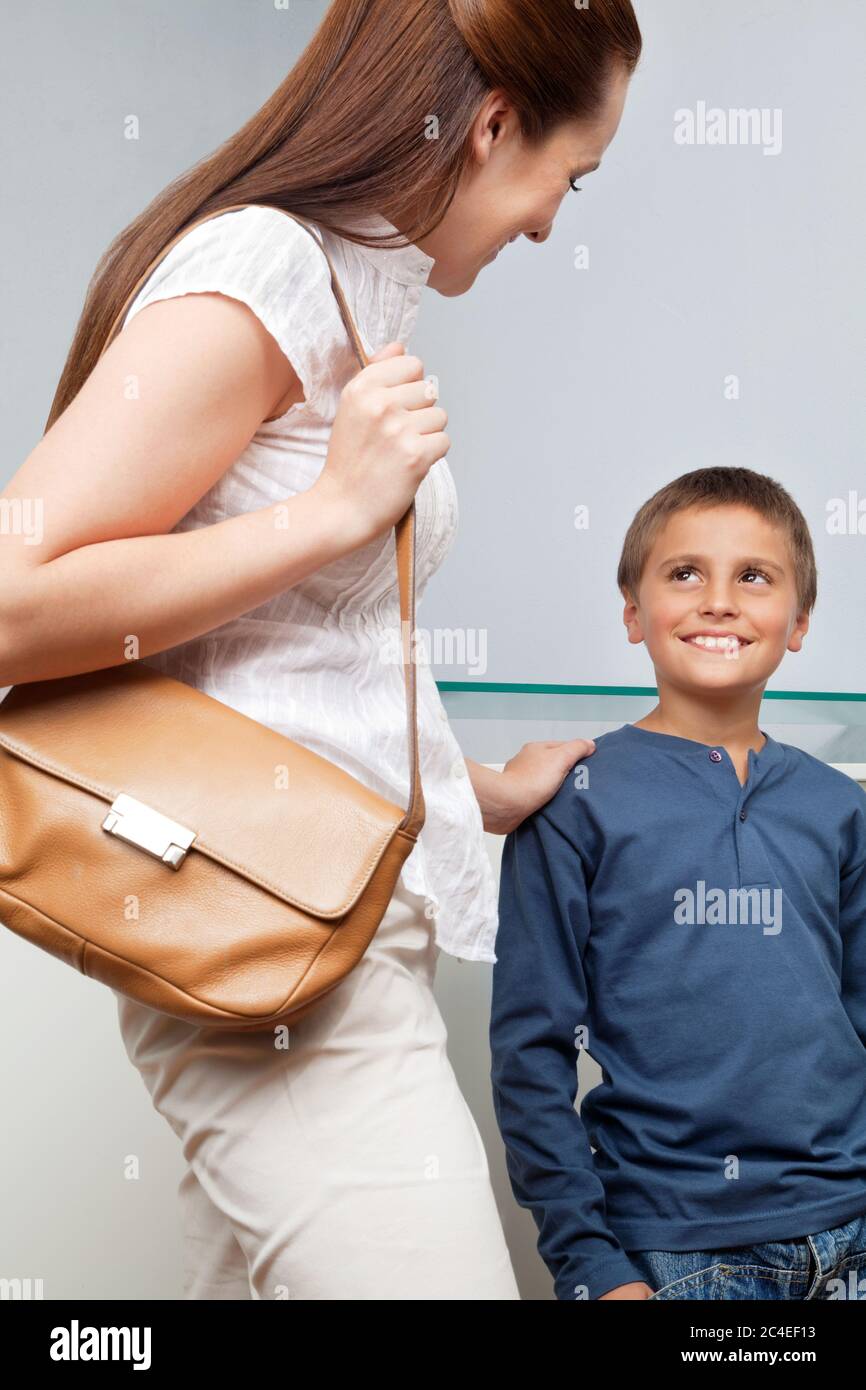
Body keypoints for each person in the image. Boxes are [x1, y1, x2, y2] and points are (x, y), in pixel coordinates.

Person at [0, 1, 642, 1298]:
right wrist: (332, 512)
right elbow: (13, 598)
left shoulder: (353, 297)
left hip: (315, 936)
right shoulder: (264, 267)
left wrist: (467, 788)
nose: (547, 223)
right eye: (564, 178)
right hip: (279, 962)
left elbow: (286, 661)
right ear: (495, 125)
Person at [491, 466, 866, 1300]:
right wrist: (591, 1266)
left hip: (853, 1236)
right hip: (680, 1256)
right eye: (685, 573)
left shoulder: (840, 807)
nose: (720, 601)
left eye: (755, 577)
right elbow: (530, 1054)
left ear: (798, 622)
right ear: (634, 611)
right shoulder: (571, 803)